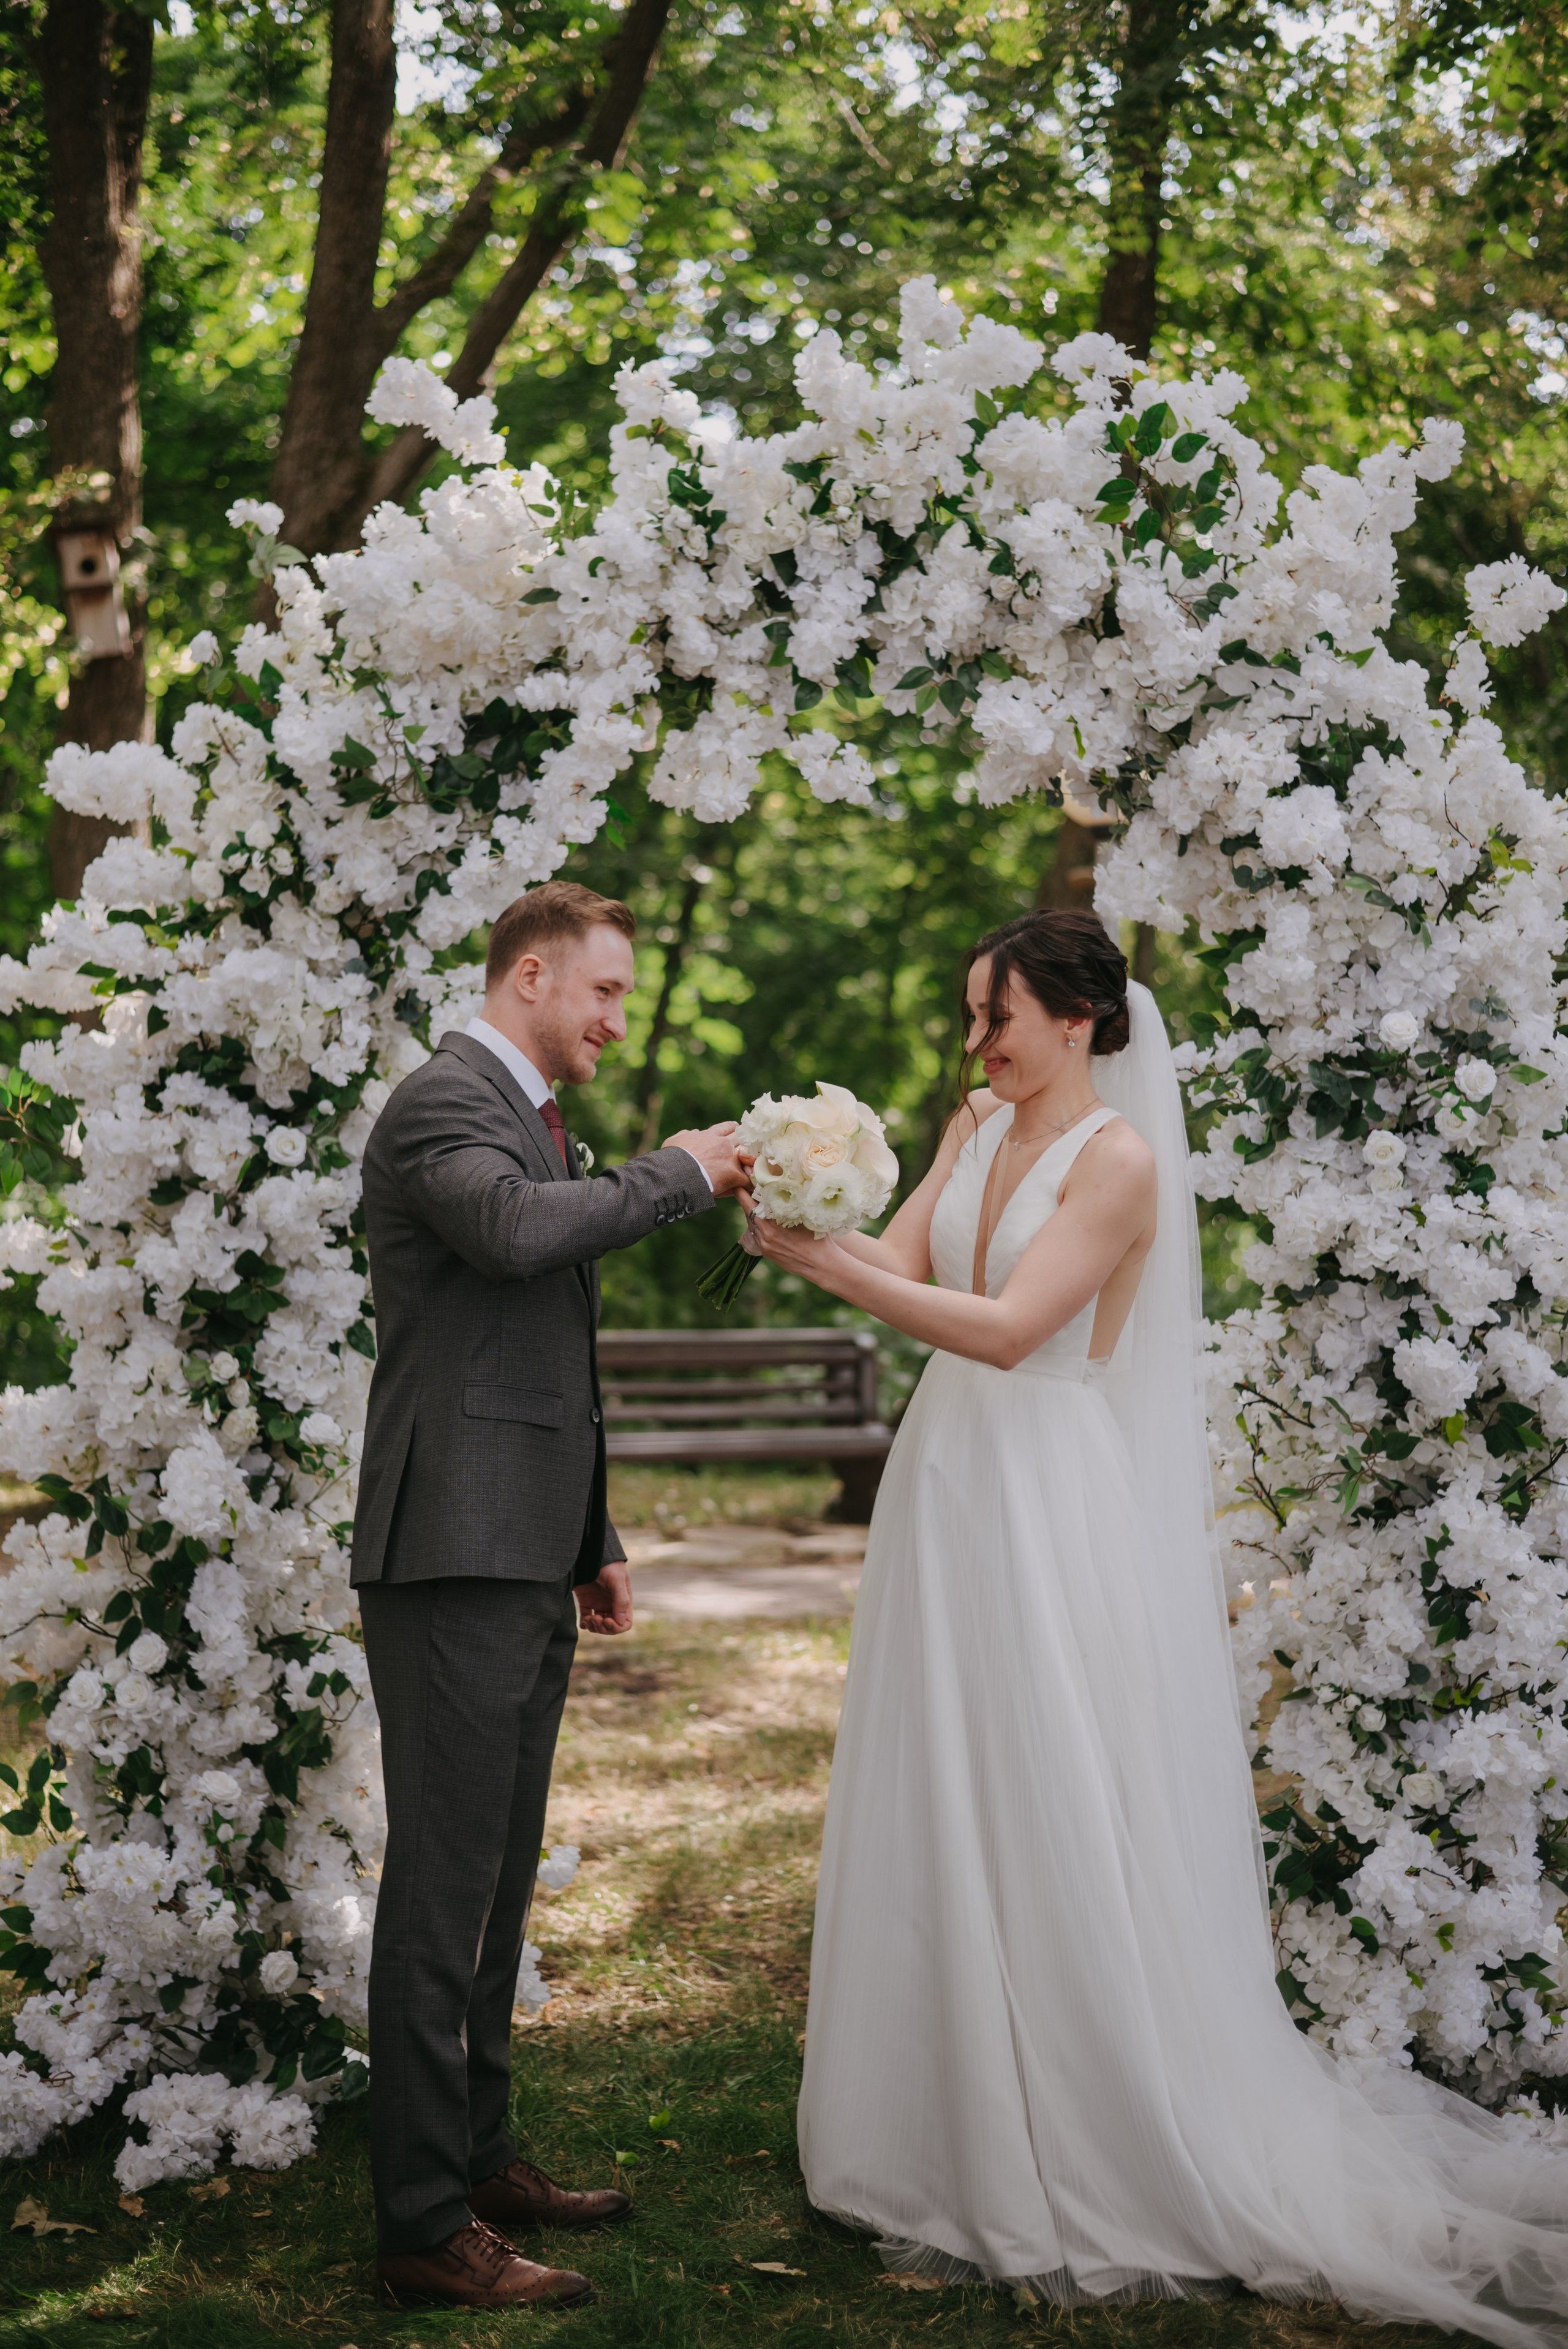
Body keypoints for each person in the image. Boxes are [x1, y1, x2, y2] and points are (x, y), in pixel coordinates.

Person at [748, 907, 1568, 2346]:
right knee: (948, 1778)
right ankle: (941, 2111)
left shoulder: (1116, 1162)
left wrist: (834, 1275)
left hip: (1038, 1478)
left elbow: (1007, 1329)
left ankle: (1084, 2117)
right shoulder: (975, 1121)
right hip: (945, 1478)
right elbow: (902, 1258)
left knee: (1050, 1778)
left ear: (1075, 1019)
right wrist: (809, 1212)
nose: (975, 1042)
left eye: (994, 1016)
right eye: (968, 1015)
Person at [351, 880, 748, 2312]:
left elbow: (535, 1359)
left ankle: (482, 2155)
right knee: (441, 1887)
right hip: (449, 1552)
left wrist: (593, 1534)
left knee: (500, 1883)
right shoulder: (440, 1102)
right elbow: (520, 1237)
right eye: (604, 992)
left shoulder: (531, 1115)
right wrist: (687, 1171)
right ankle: (417, 2218)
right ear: (530, 974)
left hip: (521, 1545)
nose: (615, 1018)